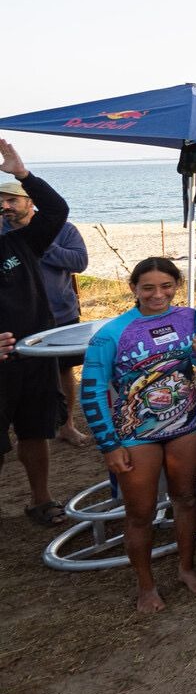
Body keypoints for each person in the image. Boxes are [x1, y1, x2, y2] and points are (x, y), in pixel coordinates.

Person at [79, 258, 196, 611]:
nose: (158, 294)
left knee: (186, 499)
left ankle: (186, 568)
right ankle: (146, 585)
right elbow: (91, 392)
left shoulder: (190, 317)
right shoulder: (111, 333)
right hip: (135, 433)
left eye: (166, 286)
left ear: (176, 285)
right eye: (148, 288)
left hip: (186, 423)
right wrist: (109, 445)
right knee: (140, 512)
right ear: (134, 288)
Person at [0, 140, 71, 524]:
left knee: (35, 430)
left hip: (34, 353)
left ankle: (40, 499)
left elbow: (57, 210)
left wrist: (23, 175)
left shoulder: (20, 243)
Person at [1, 177, 91, 446]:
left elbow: (79, 262)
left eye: (12, 200)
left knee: (63, 370)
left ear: (31, 202)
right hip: (18, 323)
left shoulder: (63, 230)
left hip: (60, 314)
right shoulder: (3, 234)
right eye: (1, 202)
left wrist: (44, 242)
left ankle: (67, 425)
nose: (6, 206)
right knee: (15, 377)